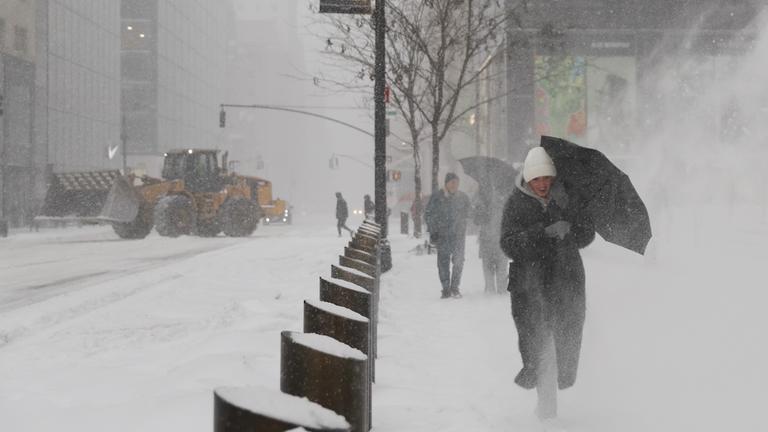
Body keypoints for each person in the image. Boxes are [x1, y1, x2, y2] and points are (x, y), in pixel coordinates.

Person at [499, 146, 595, 421]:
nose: (542, 184)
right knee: (539, 347)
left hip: (565, 283)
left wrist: (570, 227)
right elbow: (508, 243)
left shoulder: (566, 198)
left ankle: (548, 406)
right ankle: (547, 409)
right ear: (527, 179)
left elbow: (586, 235)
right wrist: (542, 233)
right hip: (530, 288)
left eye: (546, 178)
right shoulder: (515, 203)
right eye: (536, 179)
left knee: (562, 345)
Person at [425, 172, 471, 299]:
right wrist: (433, 231)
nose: (454, 185)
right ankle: (445, 288)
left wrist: (475, 214)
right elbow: (429, 214)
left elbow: (469, 212)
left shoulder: (463, 198)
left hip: (458, 236)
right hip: (442, 235)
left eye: (457, 182)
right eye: (452, 182)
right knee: (443, 263)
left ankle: (455, 287)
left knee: (459, 262)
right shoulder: (437, 197)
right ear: (446, 183)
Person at [474, 190, 509, 294]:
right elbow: (476, 220)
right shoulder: (482, 201)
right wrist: (480, 210)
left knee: (500, 266)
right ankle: (491, 291)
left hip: (500, 238)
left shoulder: (506, 201)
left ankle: (499, 290)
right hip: (487, 239)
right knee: (489, 266)